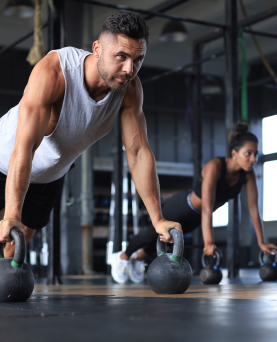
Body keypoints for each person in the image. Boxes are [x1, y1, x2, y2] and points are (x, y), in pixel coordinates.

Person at [0, 10, 182, 281]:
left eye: (138, 59)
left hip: (50, 175)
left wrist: (157, 220)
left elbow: (138, 153)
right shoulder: (55, 72)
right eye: (121, 56)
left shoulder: (130, 91)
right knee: (11, 224)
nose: (129, 69)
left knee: (18, 242)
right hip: (6, 159)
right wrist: (12, 211)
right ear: (97, 48)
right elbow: (24, 148)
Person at [113, 122, 277, 283]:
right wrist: (209, 243)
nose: (253, 159)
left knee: (165, 238)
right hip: (183, 206)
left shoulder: (248, 175)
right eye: (248, 153)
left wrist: (261, 242)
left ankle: (138, 260)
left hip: (197, 217)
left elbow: (254, 208)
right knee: (152, 232)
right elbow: (207, 207)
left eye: (255, 154)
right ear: (234, 152)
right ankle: (122, 258)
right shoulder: (215, 166)